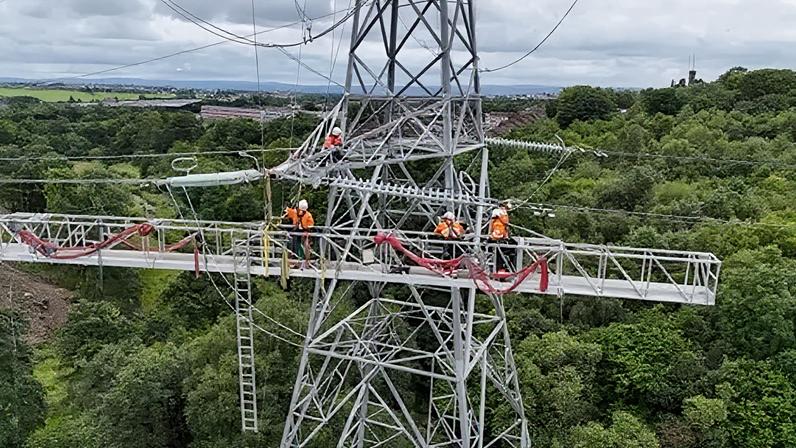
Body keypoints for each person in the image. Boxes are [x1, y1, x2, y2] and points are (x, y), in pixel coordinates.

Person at [284, 199, 315, 266]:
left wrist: (307, 230)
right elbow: (288, 212)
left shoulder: (308, 215)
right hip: (296, 230)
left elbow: (311, 225)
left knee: (306, 245)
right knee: (294, 243)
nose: (300, 212)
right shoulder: (295, 212)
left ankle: (306, 259)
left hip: (305, 231)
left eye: (302, 211)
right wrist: (286, 209)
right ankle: (295, 257)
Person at [489, 207, 510, 273]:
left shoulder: (498, 218)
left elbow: (506, 227)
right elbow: (506, 226)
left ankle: (500, 268)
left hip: (498, 238)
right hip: (497, 238)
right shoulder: (500, 218)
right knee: (499, 254)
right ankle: (499, 268)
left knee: (500, 254)